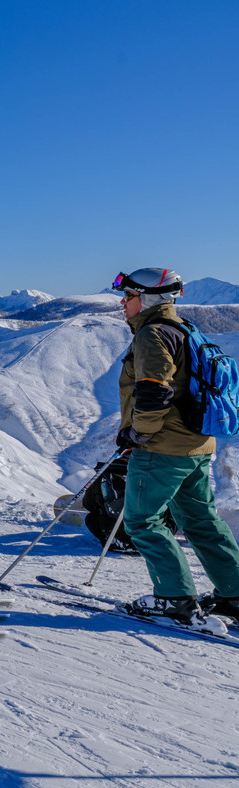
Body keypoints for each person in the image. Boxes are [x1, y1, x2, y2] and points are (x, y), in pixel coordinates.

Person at [107, 267, 239, 625]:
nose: (123, 302)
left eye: (129, 296)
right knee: (201, 521)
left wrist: (137, 435)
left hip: (163, 448)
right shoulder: (184, 329)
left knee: (142, 522)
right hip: (198, 445)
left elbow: (153, 394)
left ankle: (174, 598)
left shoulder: (152, 335)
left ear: (148, 298)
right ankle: (235, 595)